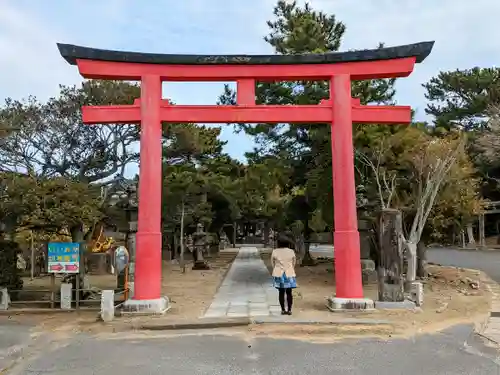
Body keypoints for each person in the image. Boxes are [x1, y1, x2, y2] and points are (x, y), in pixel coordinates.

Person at [271, 236, 297, 315]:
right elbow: (294, 262)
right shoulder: (291, 251)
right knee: (289, 292)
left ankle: (282, 309)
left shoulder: (275, 251)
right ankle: (289, 310)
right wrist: (290, 268)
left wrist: (276, 269)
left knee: (281, 292)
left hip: (279, 274)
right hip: (289, 273)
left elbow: (272, 263)